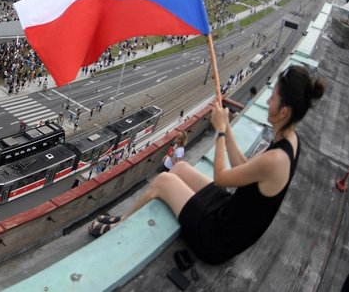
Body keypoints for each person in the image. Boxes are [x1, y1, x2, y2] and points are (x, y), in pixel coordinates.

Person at [89, 65, 325, 265]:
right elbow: (243, 166)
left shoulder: (276, 159)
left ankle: (117, 227)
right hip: (230, 213)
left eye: (273, 97)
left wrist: (220, 132)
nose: (268, 100)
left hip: (218, 239)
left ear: (283, 111)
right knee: (179, 168)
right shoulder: (291, 140)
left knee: (163, 180)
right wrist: (228, 126)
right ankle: (123, 219)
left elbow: (222, 177)